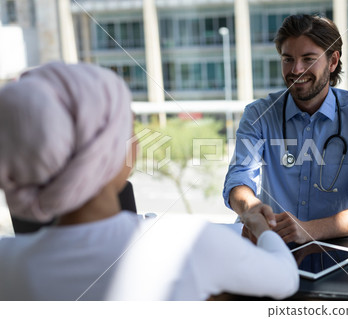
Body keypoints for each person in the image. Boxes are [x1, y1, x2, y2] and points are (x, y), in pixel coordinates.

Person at [0, 62, 299, 301]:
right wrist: (261, 228)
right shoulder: (187, 246)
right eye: (128, 128)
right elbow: (285, 280)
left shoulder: (7, 262)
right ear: (106, 152)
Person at [223, 14, 348, 245]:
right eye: (288, 59)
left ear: (332, 62)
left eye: (308, 59)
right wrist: (250, 209)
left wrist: (308, 230)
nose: (296, 69)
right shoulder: (258, 114)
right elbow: (239, 177)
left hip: (337, 246)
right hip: (270, 243)